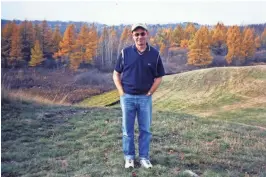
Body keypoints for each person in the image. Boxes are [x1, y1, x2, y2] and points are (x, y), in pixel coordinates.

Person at [113, 23, 165, 169]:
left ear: (147, 34)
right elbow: (116, 73)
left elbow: (159, 76)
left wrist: (150, 92)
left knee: (145, 130)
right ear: (132, 36)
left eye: (142, 33)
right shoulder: (125, 53)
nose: (139, 37)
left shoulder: (155, 54)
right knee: (127, 130)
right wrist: (121, 92)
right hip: (127, 97)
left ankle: (144, 158)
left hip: (144, 98)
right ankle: (129, 158)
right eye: (136, 34)